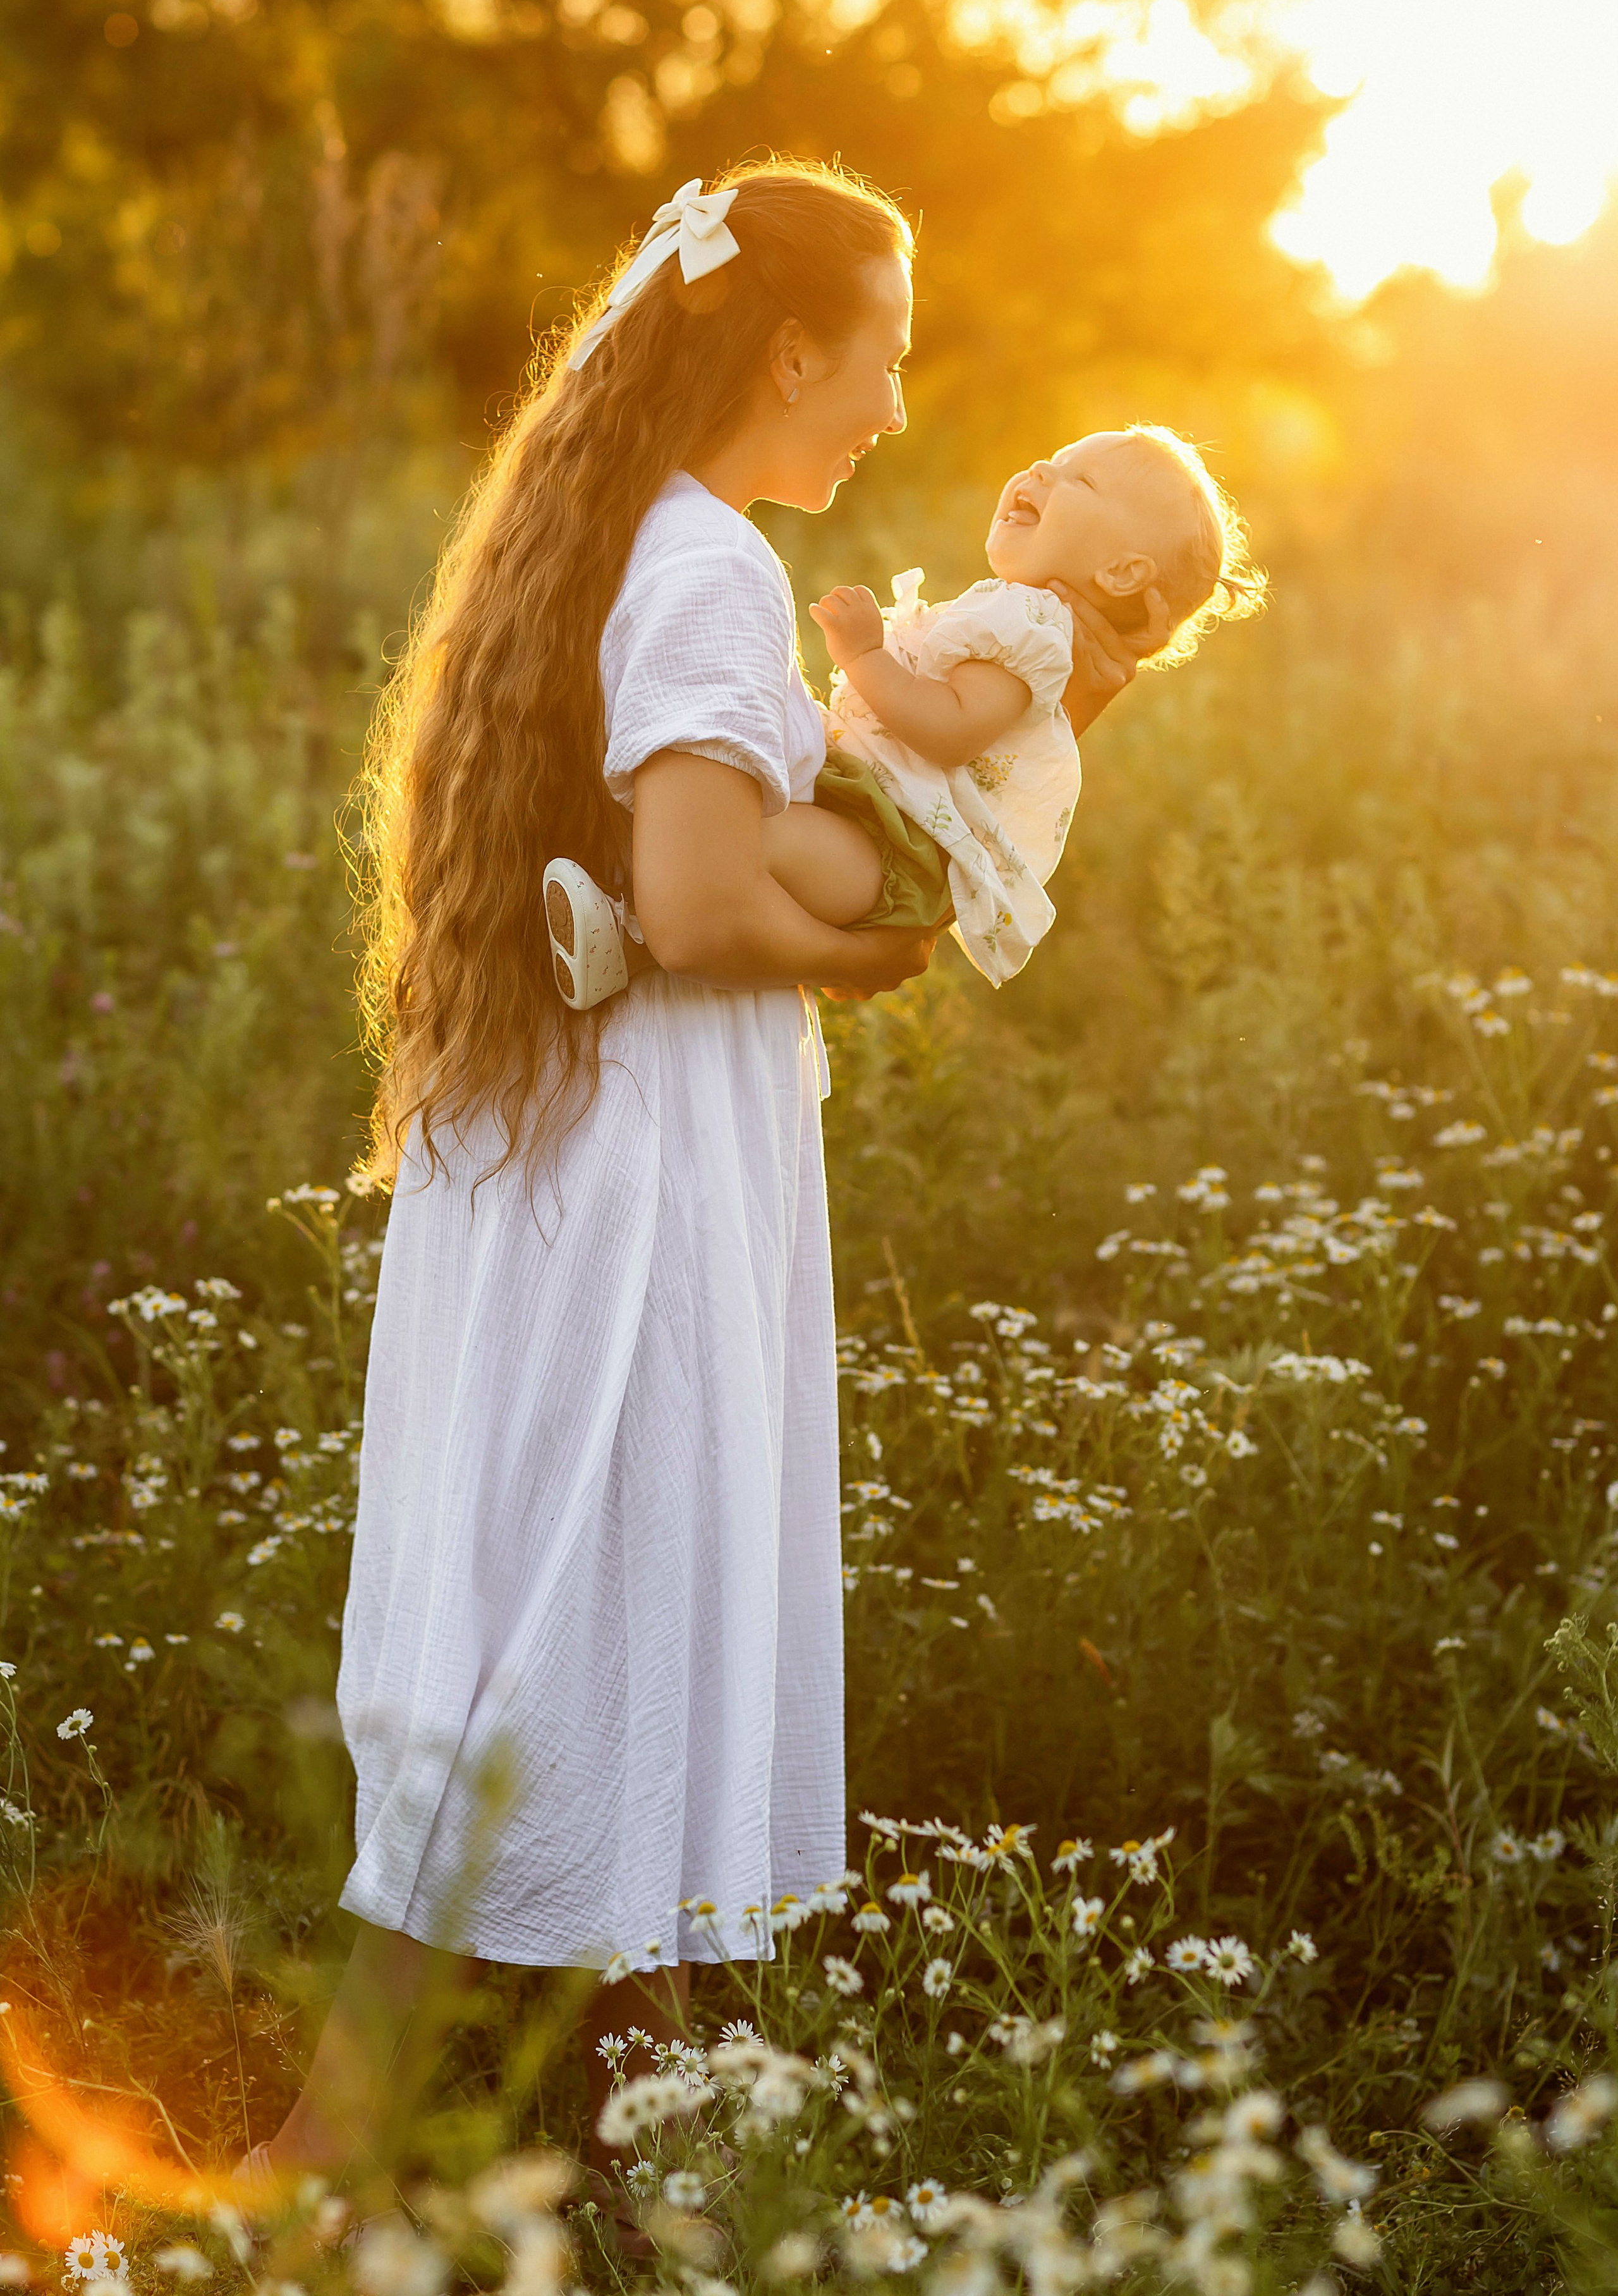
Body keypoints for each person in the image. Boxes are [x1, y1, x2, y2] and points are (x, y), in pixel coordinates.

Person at [237, 161, 1162, 2235]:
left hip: (602, 1139)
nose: (905, 416)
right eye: (889, 364)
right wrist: (887, 950)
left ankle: (664, 2119)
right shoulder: (712, 568)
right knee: (561, 1600)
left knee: (609, 1588)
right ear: (791, 350)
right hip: (634, 1170)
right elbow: (693, 895)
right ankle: (338, 2147)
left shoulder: (646, 532)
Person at [546, 425, 1260, 1004]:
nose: (1041, 467)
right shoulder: (1016, 615)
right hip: (867, 814)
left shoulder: (1033, 629)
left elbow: (949, 731)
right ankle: (629, 899)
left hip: (888, 848)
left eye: (1080, 478)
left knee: (749, 842)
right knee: (740, 833)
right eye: (1051, 455)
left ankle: (625, 928)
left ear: (1122, 572)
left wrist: (865, 656)